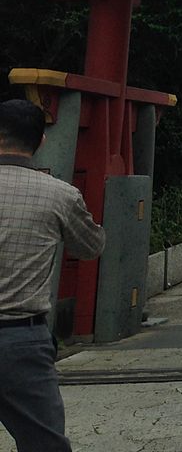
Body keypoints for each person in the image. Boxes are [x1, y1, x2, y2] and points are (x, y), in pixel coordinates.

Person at [0, 98, 106, 452]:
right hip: (21, 340)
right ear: (41, 141)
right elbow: (90, 247)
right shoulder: (59, 195)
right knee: (44, 444)